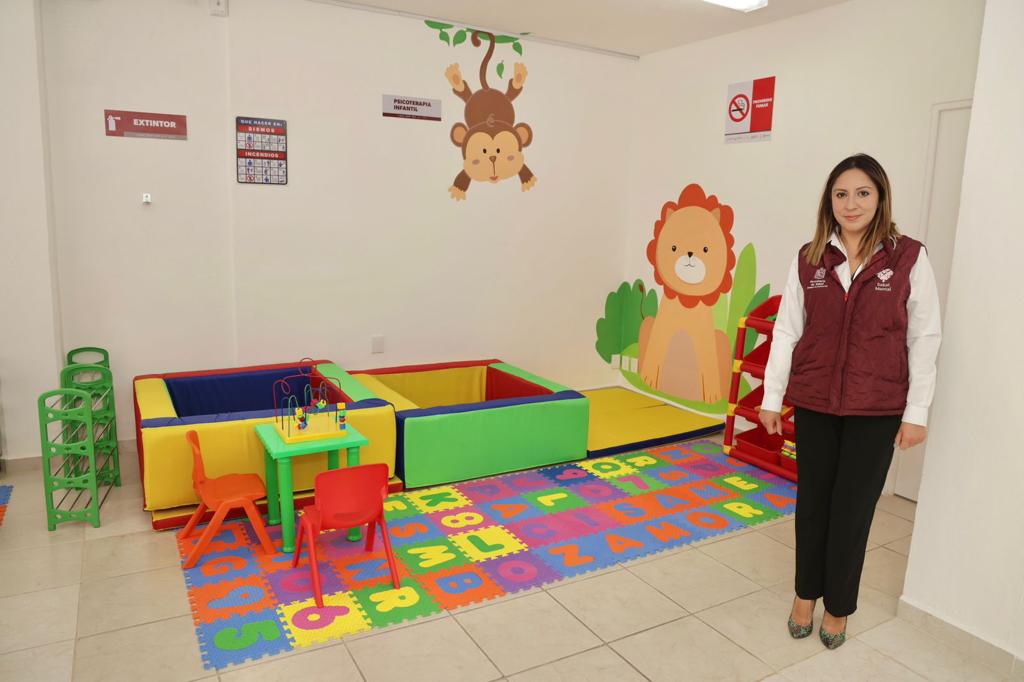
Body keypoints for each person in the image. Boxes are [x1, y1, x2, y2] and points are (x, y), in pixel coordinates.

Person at [759, 153, 942, 649]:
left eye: (863, 193)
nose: (851, 203)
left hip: (876, 409)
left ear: (880, 198)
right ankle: (804, 595)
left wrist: (917, 412)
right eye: (841, 194)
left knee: (853, 511)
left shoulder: (908, 258)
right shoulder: (810, 258)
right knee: (812, 505)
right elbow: (787, 329)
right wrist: (772, 396)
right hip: (815, 402)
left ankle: (838, 605)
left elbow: (925, 336)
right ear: (829, 201)